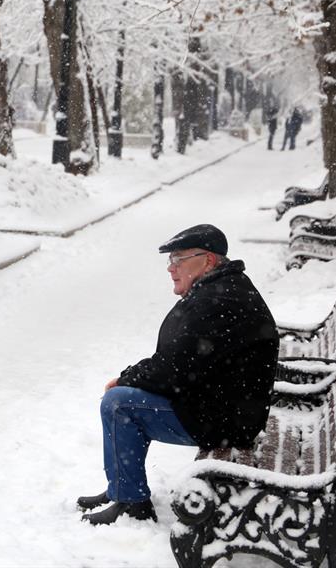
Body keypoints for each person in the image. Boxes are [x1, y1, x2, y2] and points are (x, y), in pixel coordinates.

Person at [78, 224, 278, 526]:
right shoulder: (221, 288)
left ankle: (130, 501)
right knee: (127, 398)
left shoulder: (217, 300)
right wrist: (136, 376)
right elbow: (179, 362)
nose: (171, 268)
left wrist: (127, 378)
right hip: (225, 407)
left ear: (208, 260)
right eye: (170, 260)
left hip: (224, 419)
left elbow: (174, 370)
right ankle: (121, 487)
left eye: (178, 259)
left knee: (119, 403)